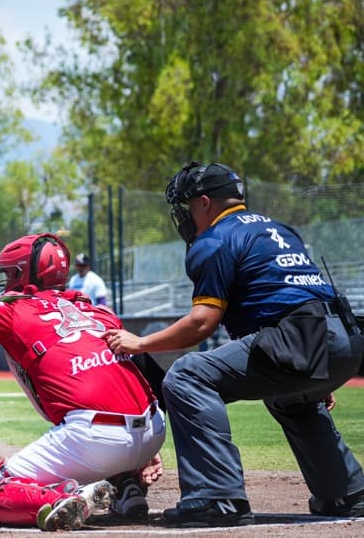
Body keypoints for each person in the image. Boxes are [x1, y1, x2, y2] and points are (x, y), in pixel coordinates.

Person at [104, 161, 364, 527]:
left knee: (186, 377)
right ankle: (348, 492)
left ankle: (216, 498)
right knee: (290, 398)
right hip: (346, 338)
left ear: (205, 202)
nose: (186, 215)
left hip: (302, 340)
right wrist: (316, 375)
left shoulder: (214, 239)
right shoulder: (278, 228)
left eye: (188, 205)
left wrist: (141, 342)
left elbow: (202, 324)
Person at [0, 233, 166, 531]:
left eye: (9, 274)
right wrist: (143, 449)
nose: (6, 283)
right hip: (153, 431)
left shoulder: (12, 310)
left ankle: (66, 498)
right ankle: (126, 485)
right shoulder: (99, 312)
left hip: (94, 438)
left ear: (22, 274)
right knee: (92, 412)